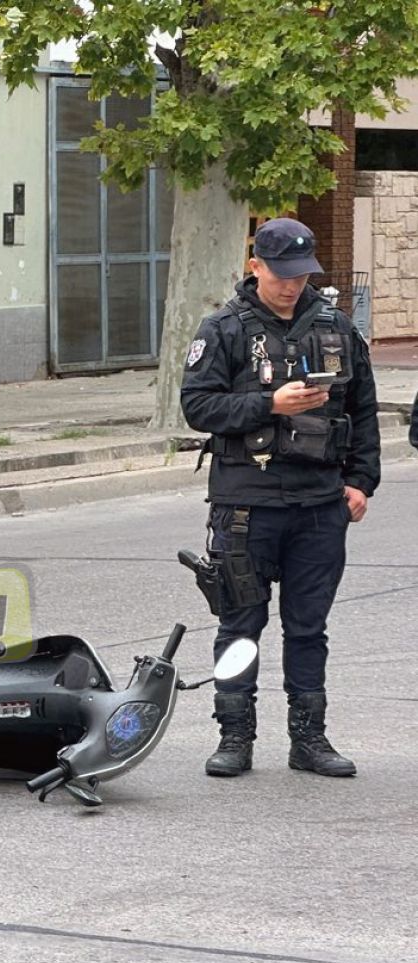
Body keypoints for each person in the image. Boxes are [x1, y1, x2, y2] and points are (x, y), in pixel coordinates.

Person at [181, 217, 378, 779]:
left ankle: (309, 739)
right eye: (281, 274)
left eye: (302, 274)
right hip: (246, 504)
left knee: (308, 627)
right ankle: (234, 736)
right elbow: (198, 407)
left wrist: (361, 483)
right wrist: (270, 404)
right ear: (256, 267)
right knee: (240, 624)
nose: (292, 285)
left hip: (319, 505)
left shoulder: (337, 327)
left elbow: (362, 411)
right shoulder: (223, 329)